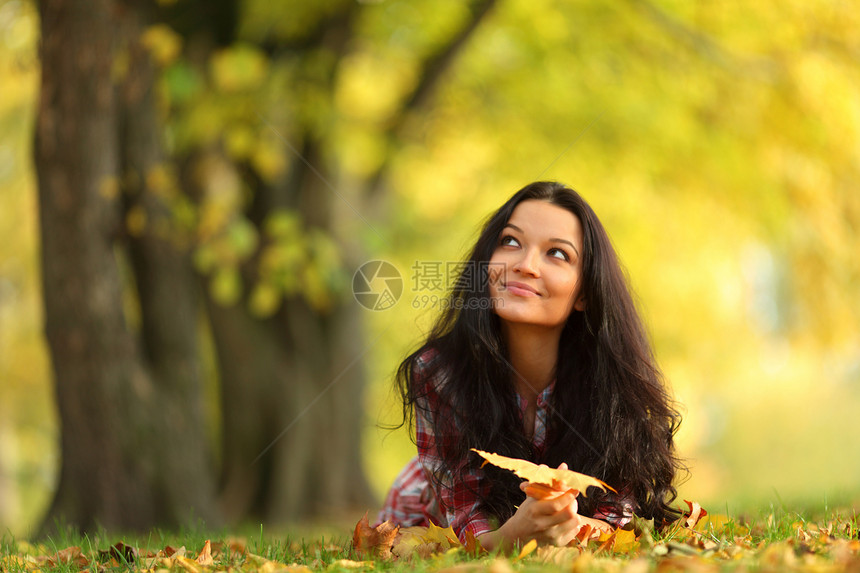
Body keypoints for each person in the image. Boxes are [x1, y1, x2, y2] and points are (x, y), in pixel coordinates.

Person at [377, 181, 684, 550]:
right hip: (427, 512)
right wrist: (513, 536)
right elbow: (465, 523)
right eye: (510, 242)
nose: (525, 265)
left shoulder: (616, 390)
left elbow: (616, 523)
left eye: (557, 253)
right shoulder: (439, 372)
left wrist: (565, 522)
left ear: (584, 293)